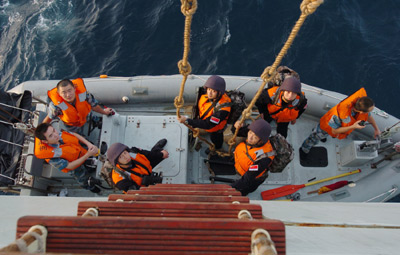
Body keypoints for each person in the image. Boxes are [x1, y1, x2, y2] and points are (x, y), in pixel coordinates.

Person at [300, 87, 381, 157]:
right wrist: (353, 127)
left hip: (335, 127)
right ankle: (304, 149)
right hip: (326, 127)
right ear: (361, 112)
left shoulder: (361, 104)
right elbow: (334, 130)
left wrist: (376, 129)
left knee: (324, 135)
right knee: (314, 137)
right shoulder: (339, 115)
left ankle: (323, 137)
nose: (369, 113)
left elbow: (368, 115)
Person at [34, 123, 102, 193]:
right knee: (82, 178)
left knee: (90, 162)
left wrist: (89, 144)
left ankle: (90, 167)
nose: (55, 135)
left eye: (54, 130)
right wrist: (87, 155)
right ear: (45, 141)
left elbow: (74, 135)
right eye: (51, 136)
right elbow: (70, 166)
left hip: (79, 151)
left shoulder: (57, 134)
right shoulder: (52, 157)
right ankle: (91, 187)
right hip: (75, 166)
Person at [177, 75, 231, 149]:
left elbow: (208, 124)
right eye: (209, 89)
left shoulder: (223, 109)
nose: (210, 93)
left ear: (219, 93)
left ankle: (217, 148)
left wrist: (187, 121)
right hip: (202, 118)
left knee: (216, 139)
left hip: (214, 128)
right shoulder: (205, 95)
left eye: (213, 91)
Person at [43, 78, 114, 134]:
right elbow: (49, 118)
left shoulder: (84, 94)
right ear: (59, 94)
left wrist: (104, 112)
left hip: (85, 115)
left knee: (88, 116)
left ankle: (92, 119)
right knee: (77, 134)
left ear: (74, 89)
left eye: (69, 90)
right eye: (64, 92)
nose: (68, 95)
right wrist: (42, 131)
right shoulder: (56, 107)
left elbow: (94, 105)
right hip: (72, 125)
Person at [232, 119, 275, 196]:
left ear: (261, 141)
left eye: (255, 137)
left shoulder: (265, 158)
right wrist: (236, 126)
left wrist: (231, 188)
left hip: (252, 180)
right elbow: (235, 131)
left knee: (244, 190)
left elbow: (248, 178)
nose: (250, 138)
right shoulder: (254, 132)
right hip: (241, 163)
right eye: (250, 133)